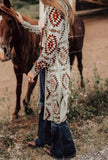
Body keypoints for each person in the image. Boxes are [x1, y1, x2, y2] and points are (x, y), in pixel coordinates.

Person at [16, 0, 76, 158]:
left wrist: (34, 70)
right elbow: (46, 32)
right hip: (49, 67)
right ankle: (45, 139)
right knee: (46, 104)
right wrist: (24, 24)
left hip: (55, 68)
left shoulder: (56, 10)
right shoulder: (53, 8)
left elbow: (50, 48)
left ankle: (65, 151)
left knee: (57, 111)